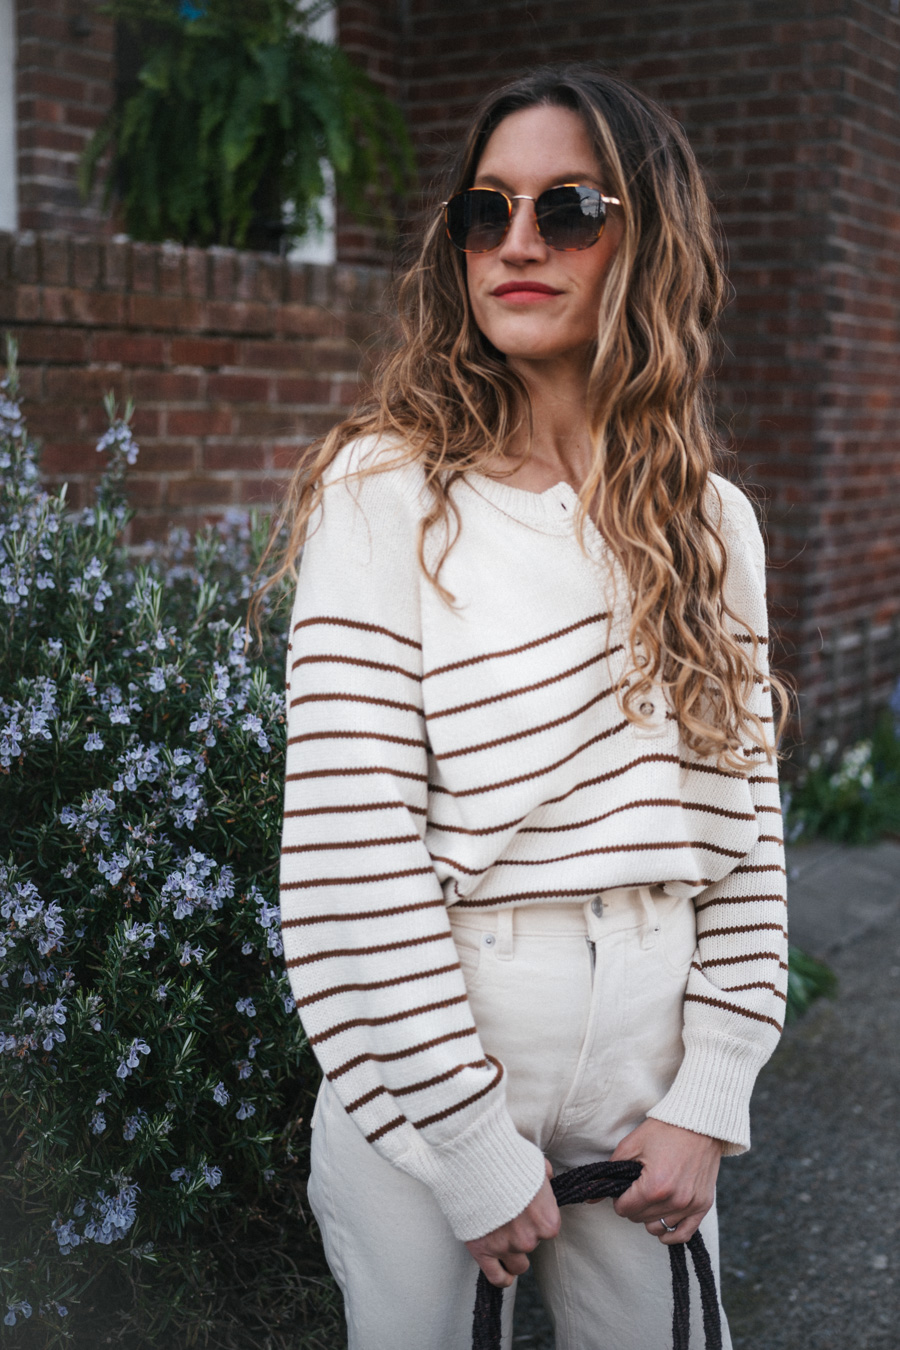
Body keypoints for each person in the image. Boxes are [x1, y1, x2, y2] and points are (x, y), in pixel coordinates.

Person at [270, 64, 787, 1350]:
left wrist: (710, 1091)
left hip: (649, 1069)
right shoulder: (384, 491)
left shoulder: (711, 523)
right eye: (483, 211)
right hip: (432, 1041)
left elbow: (750, 832)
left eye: (566, 209)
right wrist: (460, 1137)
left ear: (644, 240)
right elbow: (352, 842)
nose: (515, 244)